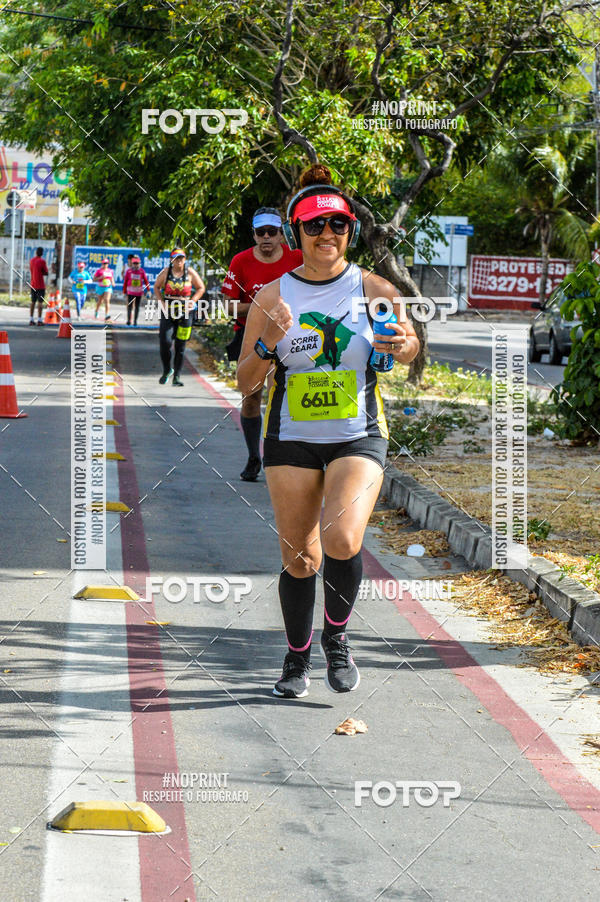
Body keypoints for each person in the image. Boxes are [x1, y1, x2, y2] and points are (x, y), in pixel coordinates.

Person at [237, 164, 420, 699]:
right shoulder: (272, 297)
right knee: (300, 557)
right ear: (298, 233)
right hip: (290, 436)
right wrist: (270, 342)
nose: (327, 236)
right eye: (315, 227)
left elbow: (403, 350)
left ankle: (336, 640)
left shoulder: (375, 288)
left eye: (337, 226)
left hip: (357, 434)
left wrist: (403, 344)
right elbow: (247, 382)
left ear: (350, 231)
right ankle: (296, 658)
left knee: (342, 537)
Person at [222, 207, 303, 481]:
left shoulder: (298, 259)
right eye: (261, 232)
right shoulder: (240, 262)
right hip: (251, 339)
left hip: (290, 338)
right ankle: (253, 456)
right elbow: (229, 307)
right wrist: (261, 308)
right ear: (254, 235)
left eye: (272, 232)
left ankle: (277, 455)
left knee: (279, 394)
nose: (266, 237)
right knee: (251, 397)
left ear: (282, 234)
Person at [153, 248, 205, 386]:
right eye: (176, 258)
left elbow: (201, 288)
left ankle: (177, 376)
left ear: (185, 259)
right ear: (171, 260)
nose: (179, 261)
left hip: (186, 313)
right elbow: (156, 287)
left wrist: (193, 301)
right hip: (168, 311)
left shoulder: (190, 272)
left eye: (181, 258)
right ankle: (166, 370)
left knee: (181, 346)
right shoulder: (166, 272)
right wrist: (161, 302)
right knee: (165, 342)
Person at [123, 255, 150, 326]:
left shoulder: (141, 271)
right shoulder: (129, 271)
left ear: (139, 264)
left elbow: (146, 281)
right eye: (134, 263)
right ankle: (128, 320)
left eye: (137, 263)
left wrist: (148, 290)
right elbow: (125, 282)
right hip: (130, 292)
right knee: (130, 306)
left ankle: (135, 321)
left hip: (138, 292)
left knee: (137, 307)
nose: (135, 265)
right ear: (132, 264)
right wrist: (124, 291)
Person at [29, 247, 48, 325]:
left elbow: (32, 270)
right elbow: (46, 272)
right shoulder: (42, 261)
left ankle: (31, 319)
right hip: (40, 285)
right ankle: (39, 320)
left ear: (36, 252)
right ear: (42, 253)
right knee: (40, 302)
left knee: (33, 302)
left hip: (33, 284)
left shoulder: (32, 261)